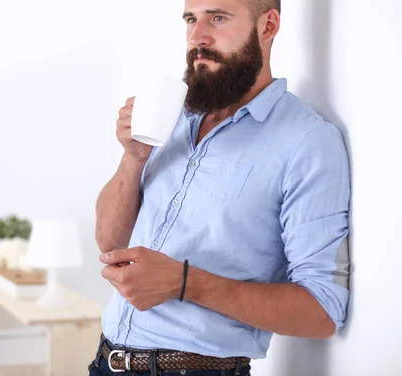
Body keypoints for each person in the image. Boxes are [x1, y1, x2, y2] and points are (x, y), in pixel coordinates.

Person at [90, 0, 351, 375]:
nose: (197, 36)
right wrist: (133, 158)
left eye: (217, 17)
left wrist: (184, 283)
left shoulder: (307, 142)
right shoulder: (173, 114)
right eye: (191, 19)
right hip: (106, 361)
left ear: (268, 26)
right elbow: (109, 243)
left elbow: (323, 313)